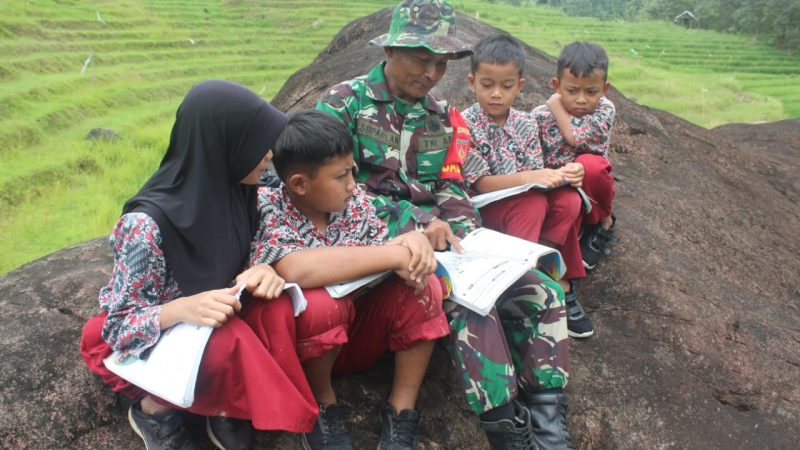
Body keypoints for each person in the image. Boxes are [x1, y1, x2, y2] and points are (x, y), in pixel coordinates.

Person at [316, 2, 573, 449]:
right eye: (421, 59)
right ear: (390, 49)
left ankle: (550, 435)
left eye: (441, 63)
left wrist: (465, 232)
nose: (432, 73)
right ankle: (508, 433)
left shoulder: (440, 115)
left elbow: (450, 182)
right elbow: (335, 192)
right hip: (377, 248)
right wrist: (419, 222)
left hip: (445, 246)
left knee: (544, 293)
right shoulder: (344, 103)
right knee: (473, 307)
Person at [80, 80, 320, 450]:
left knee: (276, 309)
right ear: (224, 145)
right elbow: (120, 325)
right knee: (229, 341)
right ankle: (155, 410)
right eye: (257, 146)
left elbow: (272, 236)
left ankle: (223, 402)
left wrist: (263, 266)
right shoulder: (146, 226)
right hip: (168, 328)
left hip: (215, 315)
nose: (269, 156)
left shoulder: (245, 190)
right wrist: (181, 309)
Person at [248, 109, 449, 450]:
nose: (352, 184)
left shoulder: (353, 204)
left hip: (359, 335)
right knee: (321, 304)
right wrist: (393, 254)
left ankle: (402, 409)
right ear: (299, 184)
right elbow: (294, 268)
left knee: (422, 286)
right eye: (341, 176)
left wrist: (408, 245)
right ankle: (323, 405)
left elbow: (383, 250)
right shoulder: (268, 206)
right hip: (308, 345)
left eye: (352, 171)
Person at [461, 33, 593, 340]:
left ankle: (544, 266)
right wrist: (528, 178)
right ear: (472, 82)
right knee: (533, 202)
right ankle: (519, 282)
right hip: (489, 211)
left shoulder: (526, 122)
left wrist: (565, 174)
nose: (496, 94)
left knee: (569, 200)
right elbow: (480, 183)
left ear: (519, 86)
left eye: (506, 86)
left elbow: (537, 173)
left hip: (528, 207)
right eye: (487, 85)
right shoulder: (464, 124)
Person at [532, 42, 619, 272]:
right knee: (561, 204)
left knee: (590, 165)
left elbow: (573, 137)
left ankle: (604, 222)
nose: (581, 99)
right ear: (557, 85)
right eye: (572, 91)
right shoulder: (540, 116)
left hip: (591, 185)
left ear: (604, 89)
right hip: (561, 185)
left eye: (591, 92)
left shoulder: (605, 109)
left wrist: (555, 104)